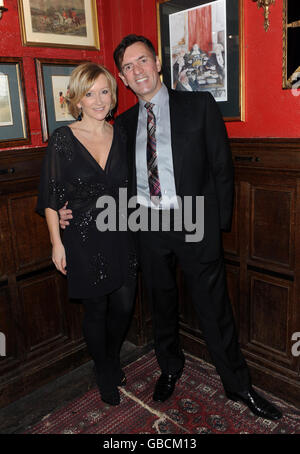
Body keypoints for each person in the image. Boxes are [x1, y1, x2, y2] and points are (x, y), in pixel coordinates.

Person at [60, 35, 282, 421]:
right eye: (128, 67)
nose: (138, 71)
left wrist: (216, 227)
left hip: (193, 219)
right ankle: (170, 367)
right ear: (123, 79)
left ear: (158, 63)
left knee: (215, 308)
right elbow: (102, 178)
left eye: (143, 61)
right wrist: (65, 209)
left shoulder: (199, 106)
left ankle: (238, 384)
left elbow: (221, 169)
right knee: (161, 304)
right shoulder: (123, 125)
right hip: (147, 223)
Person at [36, 62, 137, 406]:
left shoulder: (122, 134)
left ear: (113, 96)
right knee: (95, 310)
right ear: (76, 100)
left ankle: (108, 356)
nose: (98, 100)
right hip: (81, 237)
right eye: (89, 94)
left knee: (124, 305)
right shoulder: (62, 139)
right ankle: (105, 368)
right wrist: (55, 243)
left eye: (104, 91)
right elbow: (51, 197)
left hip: (123, 232)